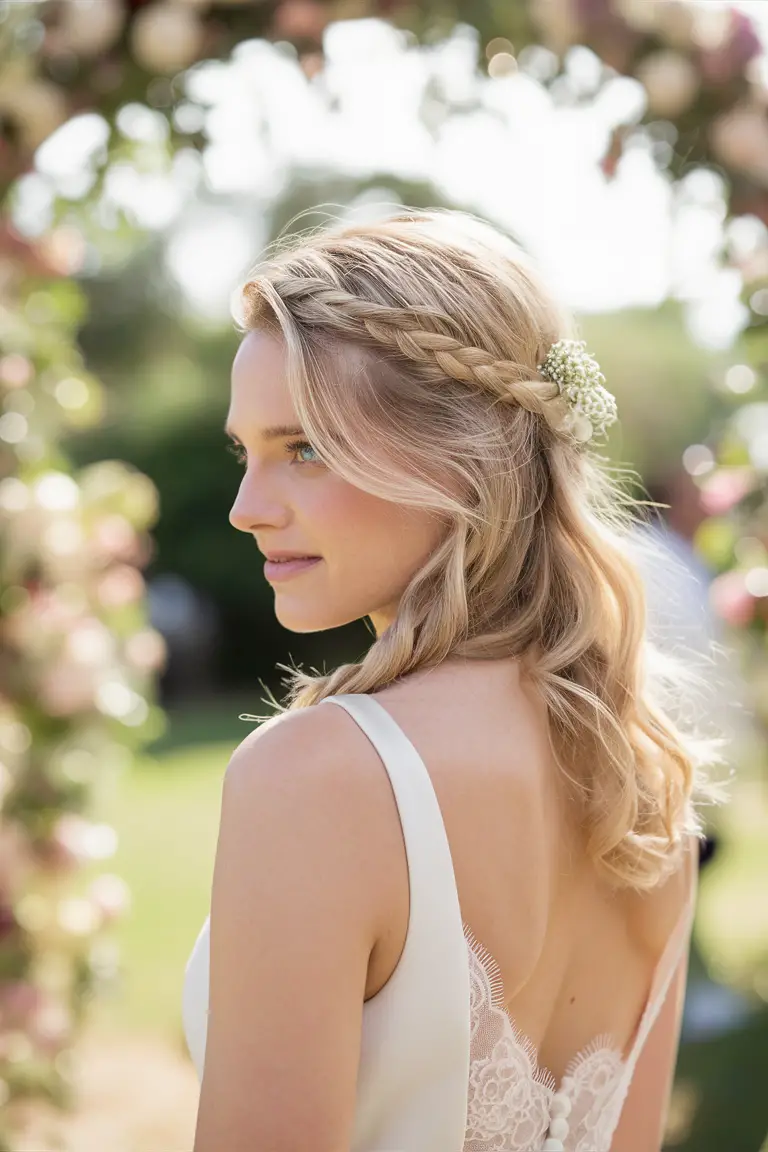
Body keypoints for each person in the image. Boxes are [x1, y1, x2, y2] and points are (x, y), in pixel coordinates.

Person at [181, 208, 726, 1152]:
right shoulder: (645, 795)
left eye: (303, 448)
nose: (245, 508)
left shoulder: (319, 779)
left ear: (458, 461)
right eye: (246, 452)